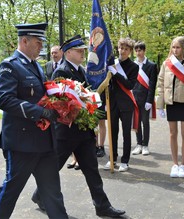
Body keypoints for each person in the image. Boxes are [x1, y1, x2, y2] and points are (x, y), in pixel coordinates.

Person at [31, 35, 125, 218]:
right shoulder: (62, 72)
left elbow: (86, 95)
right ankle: (39, 195)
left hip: (83, 131)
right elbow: (61, 104)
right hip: (66, 133)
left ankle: (102, 206)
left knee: (92, 170)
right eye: (78, 50)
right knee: (53, 168)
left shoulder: (81, 70)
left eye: (83, 50)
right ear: (67, 53)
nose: (83, 52)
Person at [0, 23, 68, 219]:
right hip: (22, 144)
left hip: (44, 142)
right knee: (11, 191)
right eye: (37, 42)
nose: (41, 46)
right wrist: (40, 112)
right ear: (24, 41)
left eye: (42, 42)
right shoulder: (9, 66)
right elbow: (5, 100)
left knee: (52, 193)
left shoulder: (36, 66)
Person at [156, 36, 184, 178]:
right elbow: (161, 85)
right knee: (172, 133)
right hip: (172, 103)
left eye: (178, 47)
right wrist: (160, 105)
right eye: (173, 47)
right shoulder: (166, 64)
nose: (175, 50)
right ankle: (175, 164)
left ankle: (183, 165)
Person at [103, 37, 139, 172]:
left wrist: (116, 74)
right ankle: (112, 158)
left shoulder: (133, 67)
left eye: (126, 49)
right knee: (112, 132)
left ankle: (125, 161)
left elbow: (129, 84)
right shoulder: (112, 64)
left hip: (126, 104)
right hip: (112, 102)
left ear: (130, 51)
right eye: (121, 48)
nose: (122, 51)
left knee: (126, 134)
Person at [131, 41, 158, 156]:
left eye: (140, 50)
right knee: (136, 122)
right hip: (134, 97)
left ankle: (145, 145)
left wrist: (149, 100)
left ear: (144, 50)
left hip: (145, 98)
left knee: (145, 122)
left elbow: (152, 84)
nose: (138, 53)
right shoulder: (132, 65)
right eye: (136, 50)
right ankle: (139, 144)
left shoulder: (151, 66)